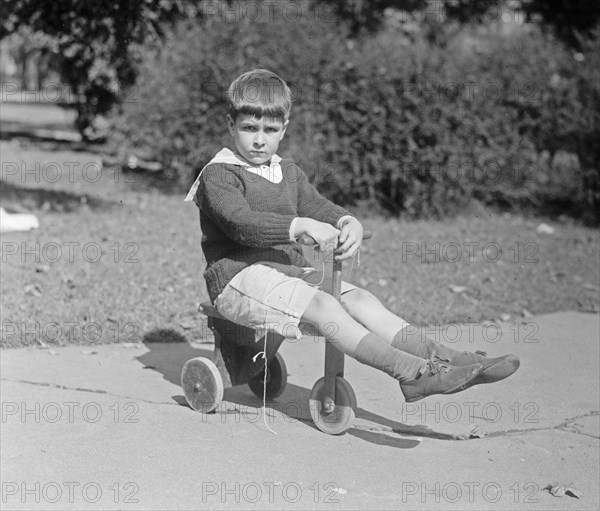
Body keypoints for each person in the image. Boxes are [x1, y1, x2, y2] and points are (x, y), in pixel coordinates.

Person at [185, 69, 519, 403]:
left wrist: (348, 221)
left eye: (270, 130)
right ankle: (414, 374)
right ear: (231, 125)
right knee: (323, 304)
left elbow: (316, 205)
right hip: (237, 279)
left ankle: (446, 359)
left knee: (359, 300)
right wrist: (299, 226)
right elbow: (241, 223)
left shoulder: (286, 172)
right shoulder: (219, 174)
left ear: (284, 129)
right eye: (249, 128)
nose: (259, 140)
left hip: (285, 273)